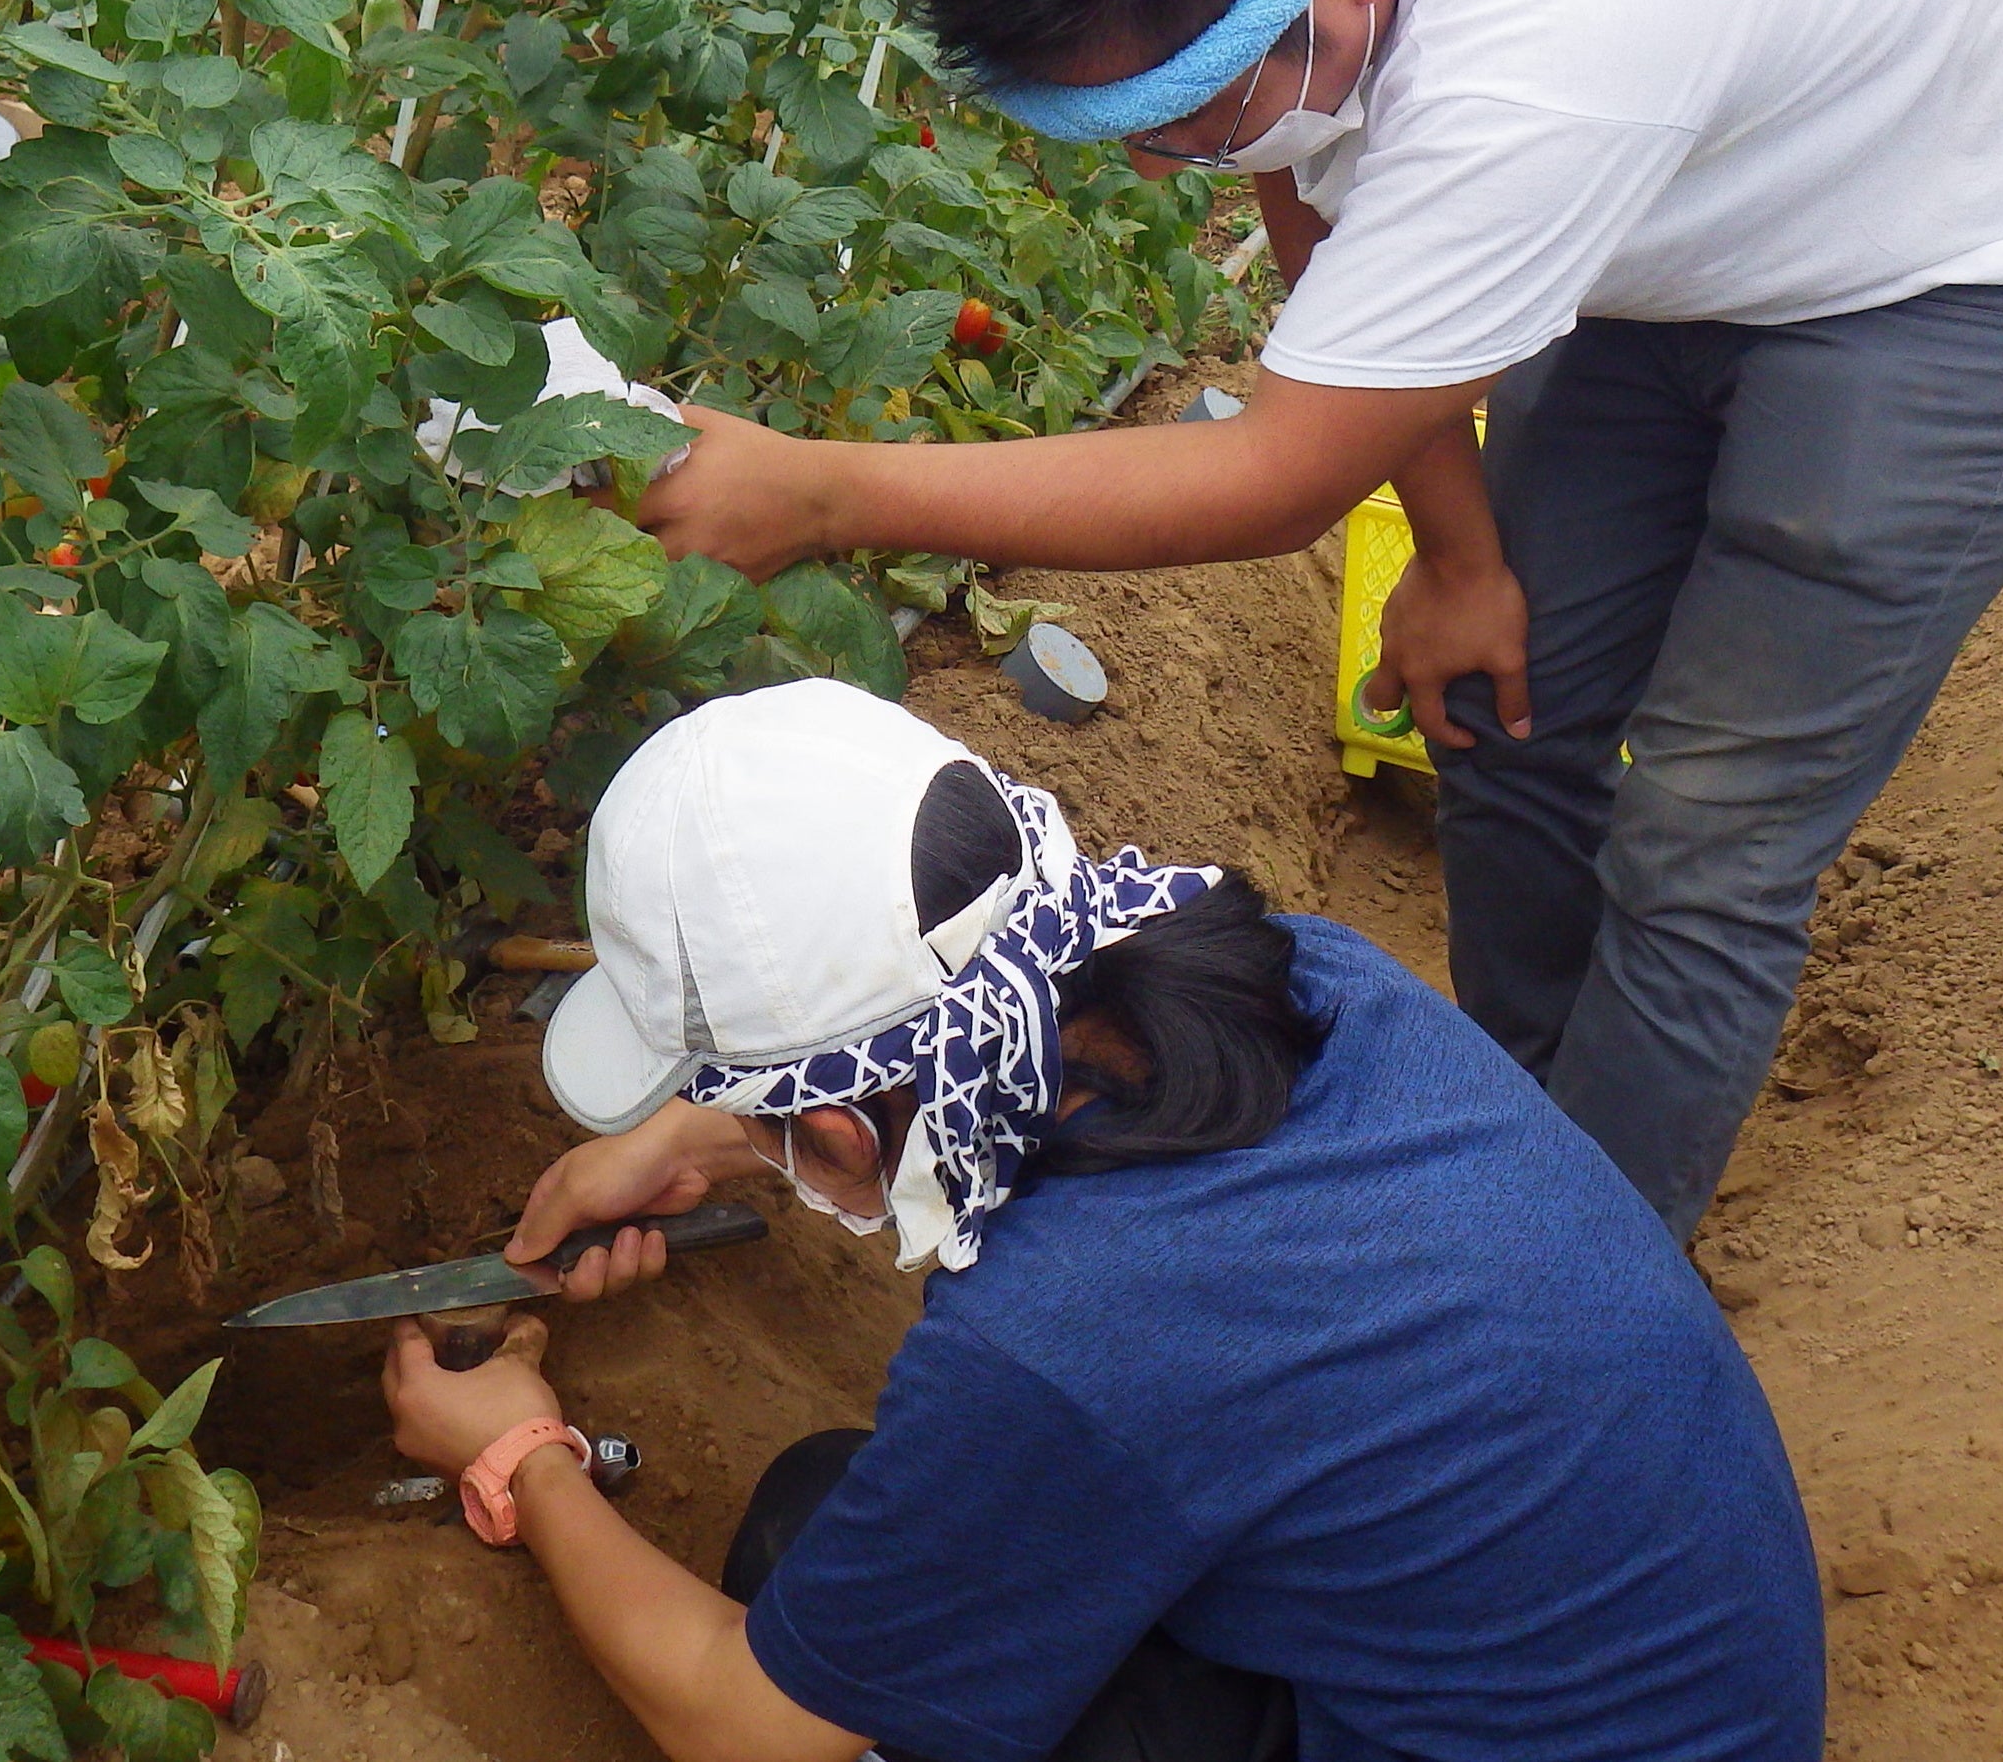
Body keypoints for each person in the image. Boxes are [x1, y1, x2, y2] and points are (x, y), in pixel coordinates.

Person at [624, 0, 2003, 1241]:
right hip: (1740, 119)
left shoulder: (1548, 47)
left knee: (1703, 852)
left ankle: (1561, 1306)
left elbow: (1280, 471)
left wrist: (827, 492)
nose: (1164, 169)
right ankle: (1523, 1129)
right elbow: (1298, 166)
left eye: (1178, 114)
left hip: (1983, 215)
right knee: (1502, 707)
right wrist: (1457, 557)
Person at [375, 679, 1824, 1762]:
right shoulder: (1309, 978)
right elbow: (970, 1077)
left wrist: (522, 1453)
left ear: (834, 1122)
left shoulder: (1067, 1339)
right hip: (1685, 1688)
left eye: (768, 1119)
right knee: (850, 1516)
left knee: (815, 1571)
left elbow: (740, 1722)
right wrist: (712, 1142)